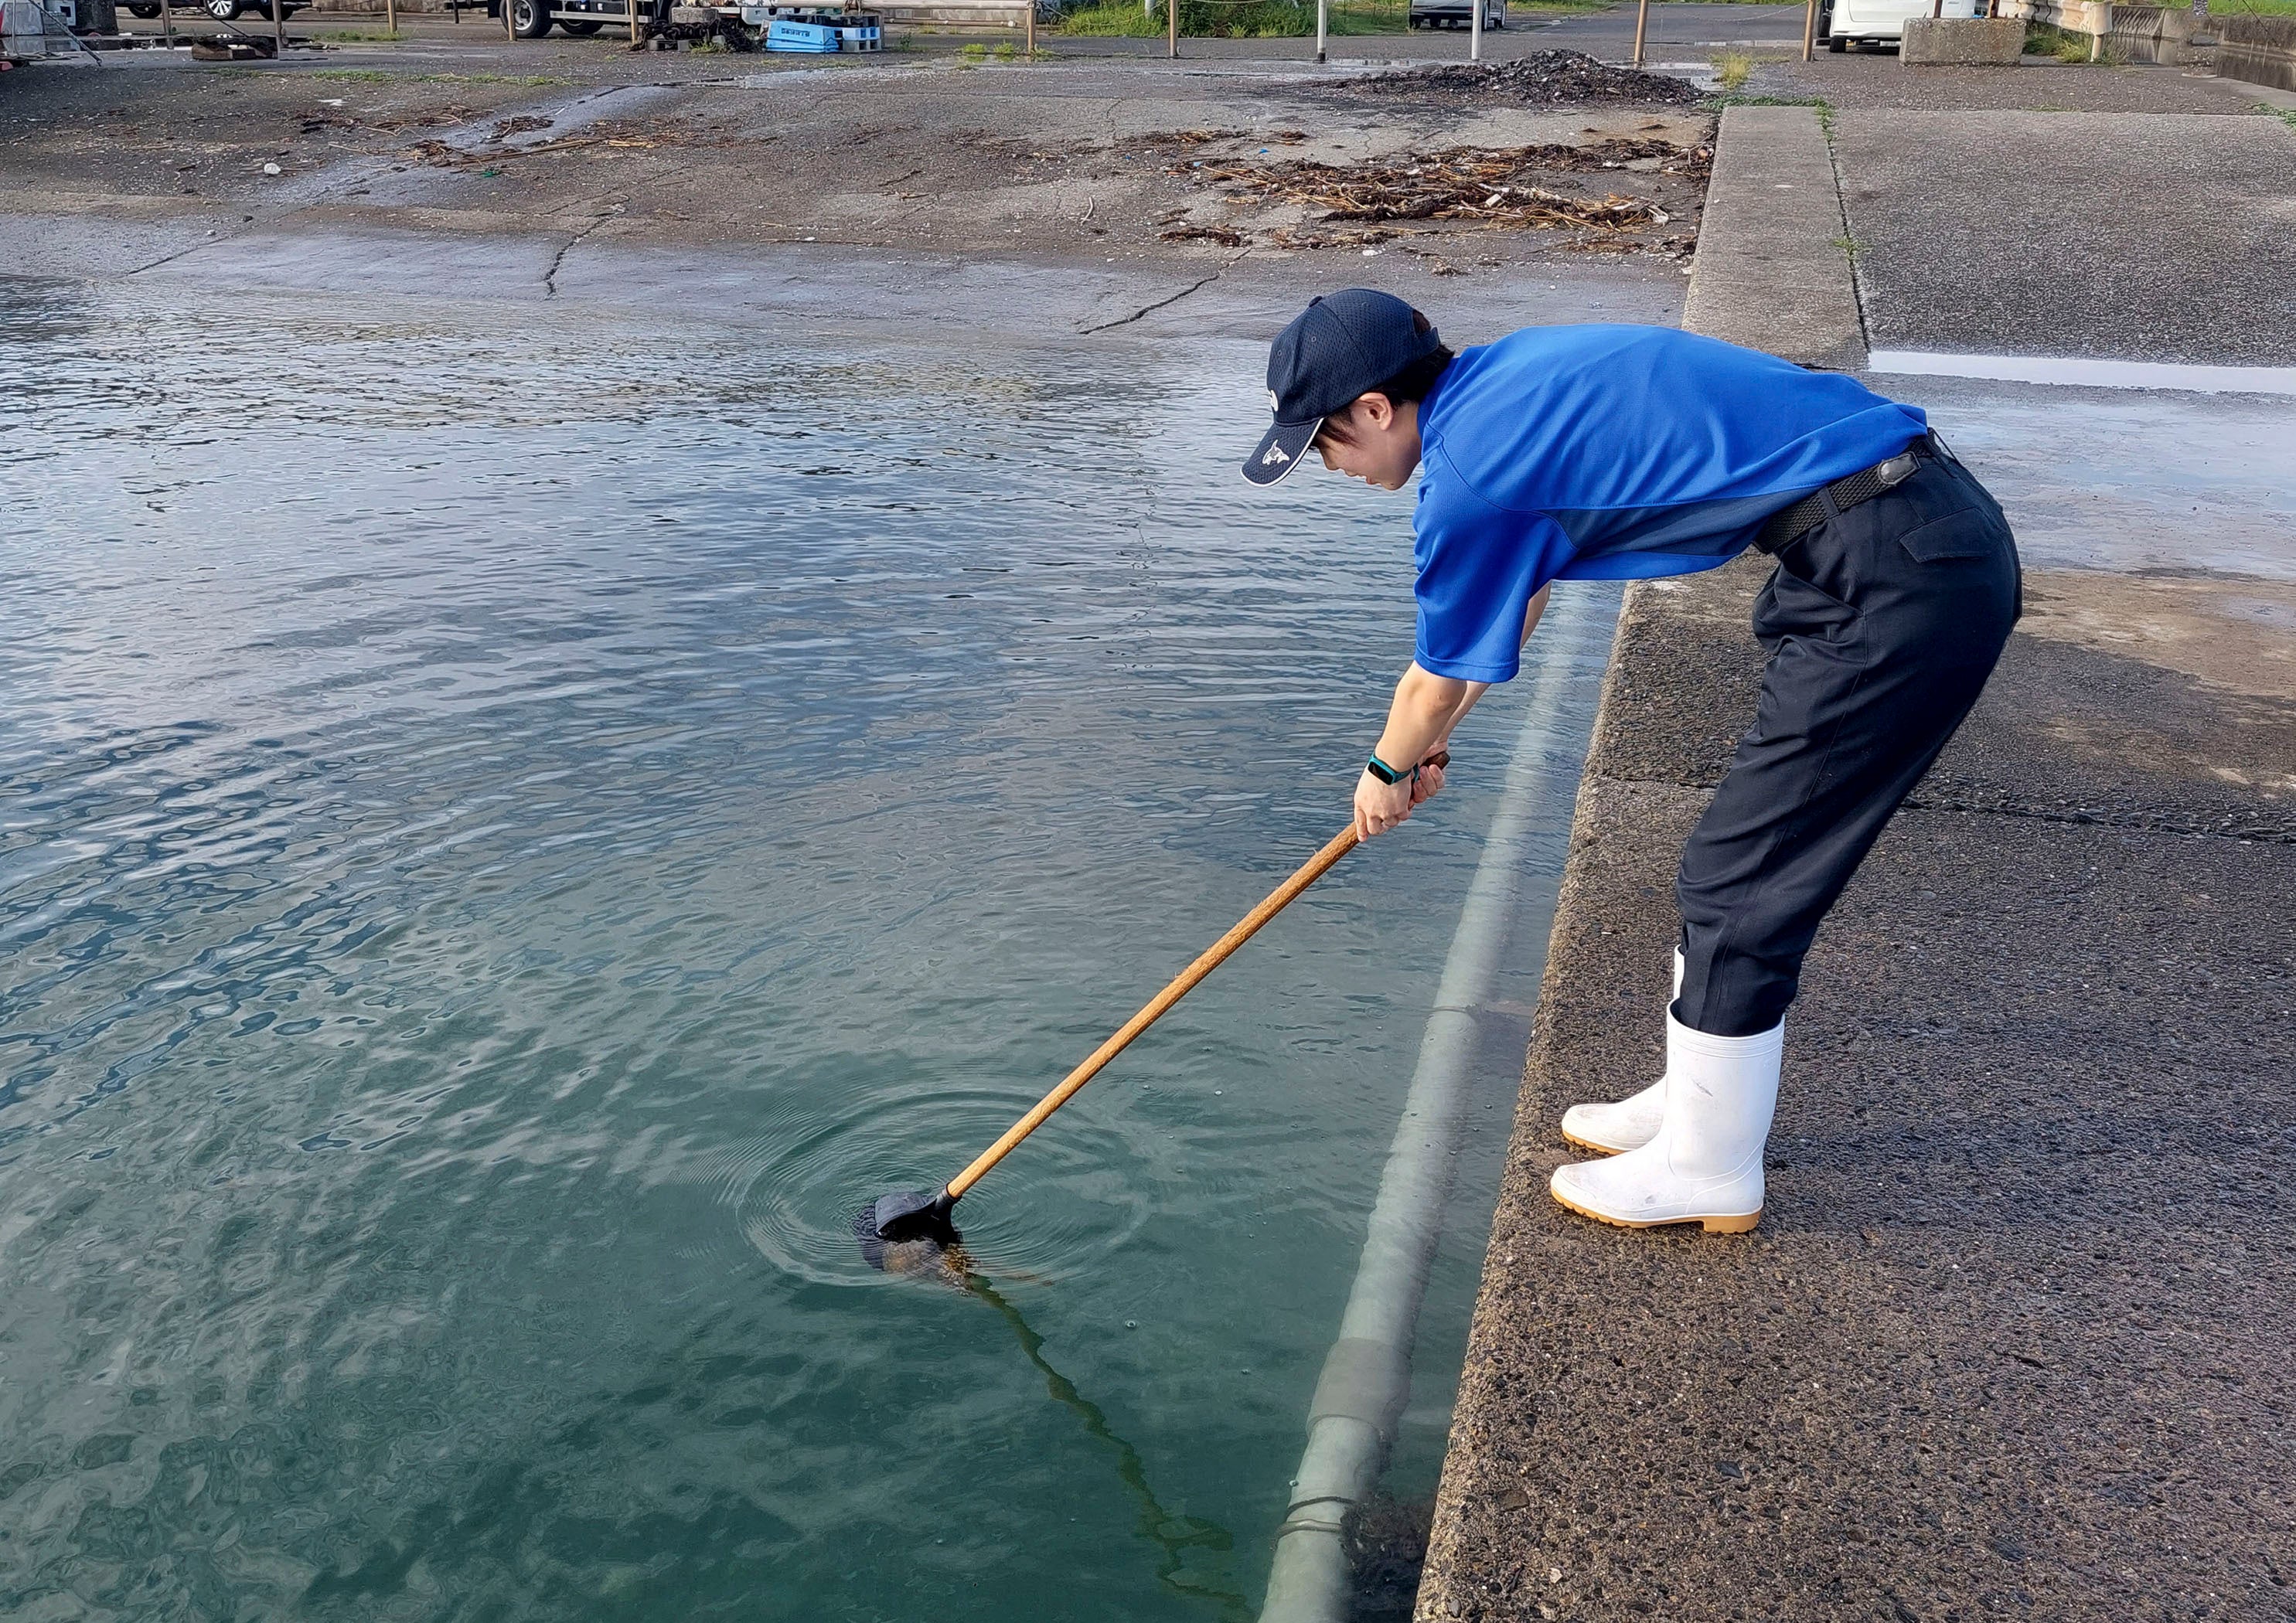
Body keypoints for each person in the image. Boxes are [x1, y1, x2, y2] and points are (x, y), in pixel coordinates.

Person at [1243, 288, 2020, 1234]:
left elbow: (1428, 685)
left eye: (1324, 444)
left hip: (1897, 579)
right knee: (1735, 863)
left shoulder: (1472, 473)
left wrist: (1383, 773)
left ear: (1373, 408)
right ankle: (1700, 1102)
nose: (1331, 467)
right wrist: (1425, 753)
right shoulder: (1502, 385)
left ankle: (1710, 1166)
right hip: (1899, 530)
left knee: (1742, 879)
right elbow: (1512, 603)